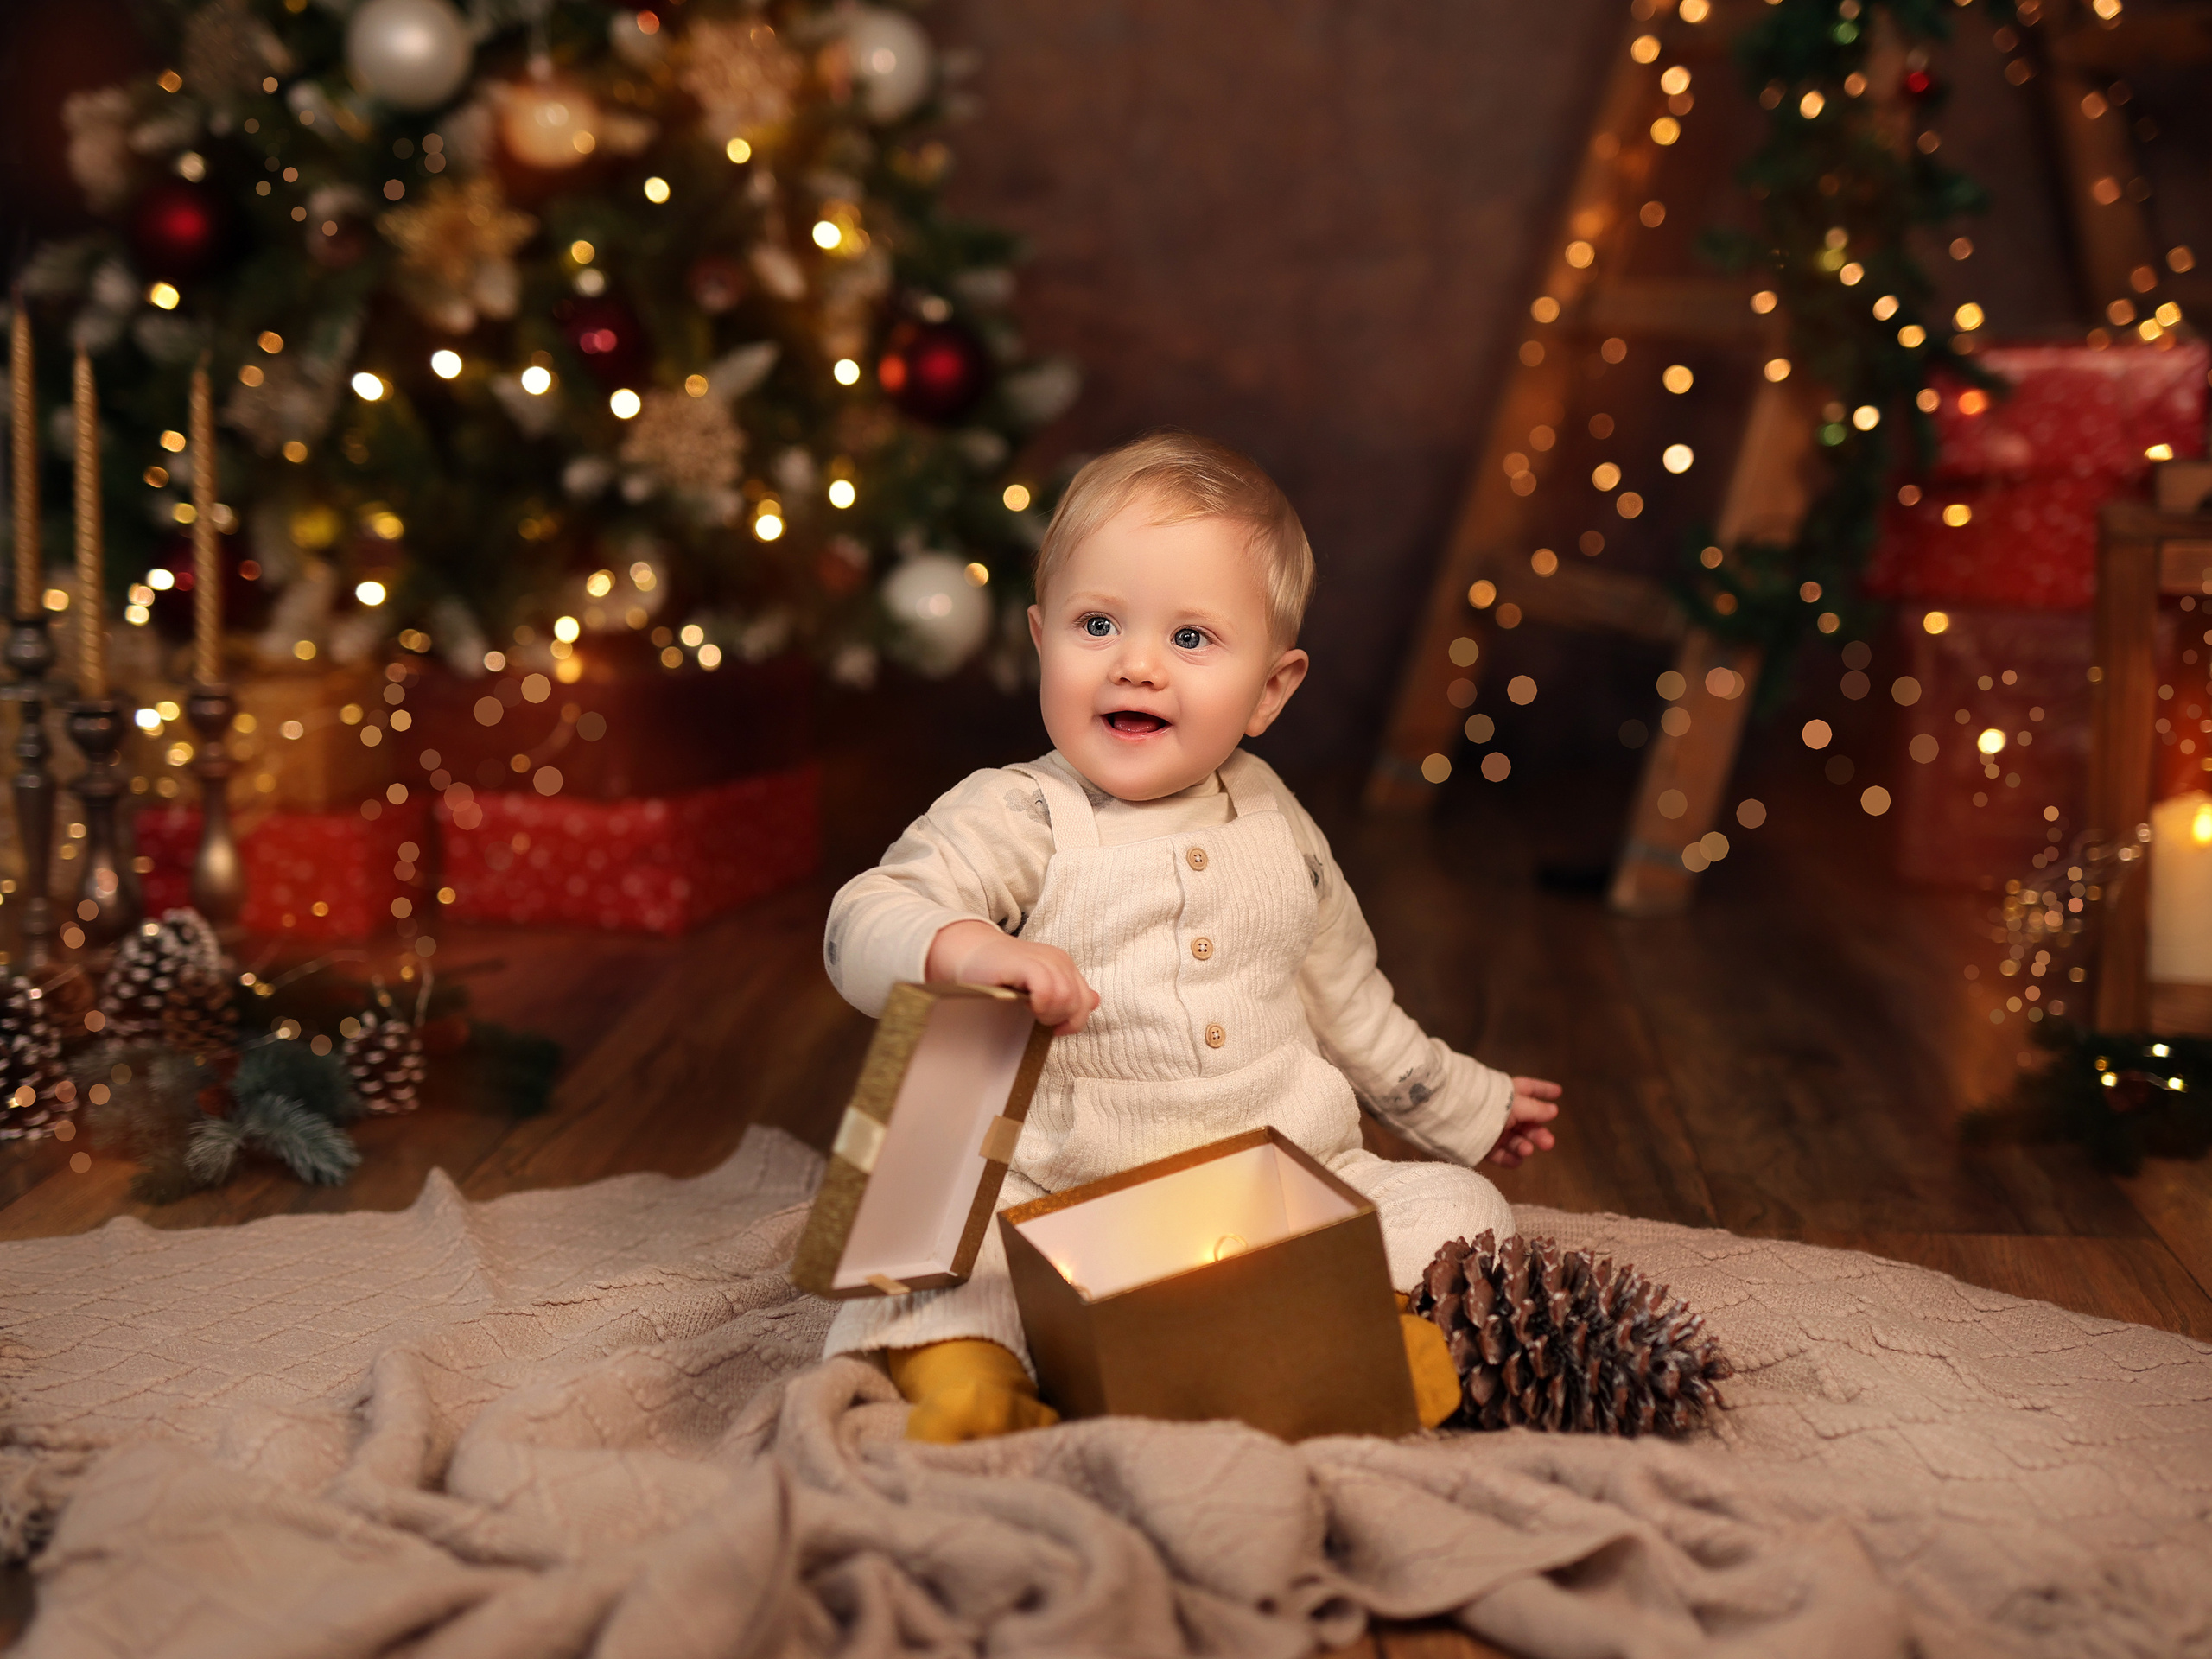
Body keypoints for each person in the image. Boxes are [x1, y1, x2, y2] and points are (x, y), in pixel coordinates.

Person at [822, 430, 1562, 1441]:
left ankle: (1366, 1332)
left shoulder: (1276, 822)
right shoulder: (1020, 813)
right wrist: (968, 949)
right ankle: (967, 1374)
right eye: (1097, 624)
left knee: (1457, 1208)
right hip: (1064, 1190)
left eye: (1191, 639)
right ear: (1040, 640)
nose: (1136, 665)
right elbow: (862, 918)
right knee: (928, 1236)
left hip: (1263, 1177)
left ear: (1270, 690)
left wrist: (1465, 1105)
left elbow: (1349, 1000)